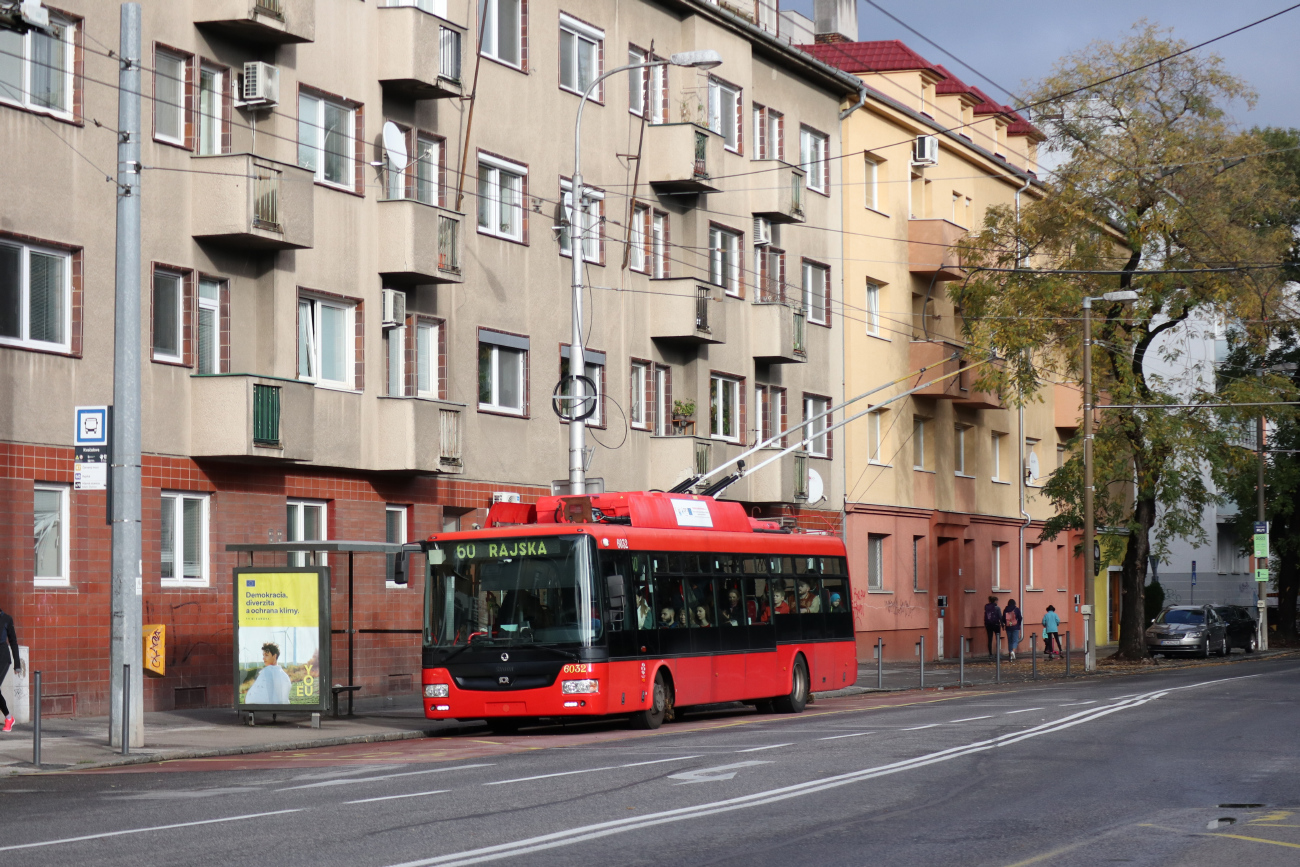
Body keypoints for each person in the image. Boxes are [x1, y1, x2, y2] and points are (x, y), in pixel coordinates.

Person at [0, 606, 20, 732]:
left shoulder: (7, 619)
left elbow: (13, 641)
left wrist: (17, 664)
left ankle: (8, 718)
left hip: (2, 656)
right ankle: (8, 717)